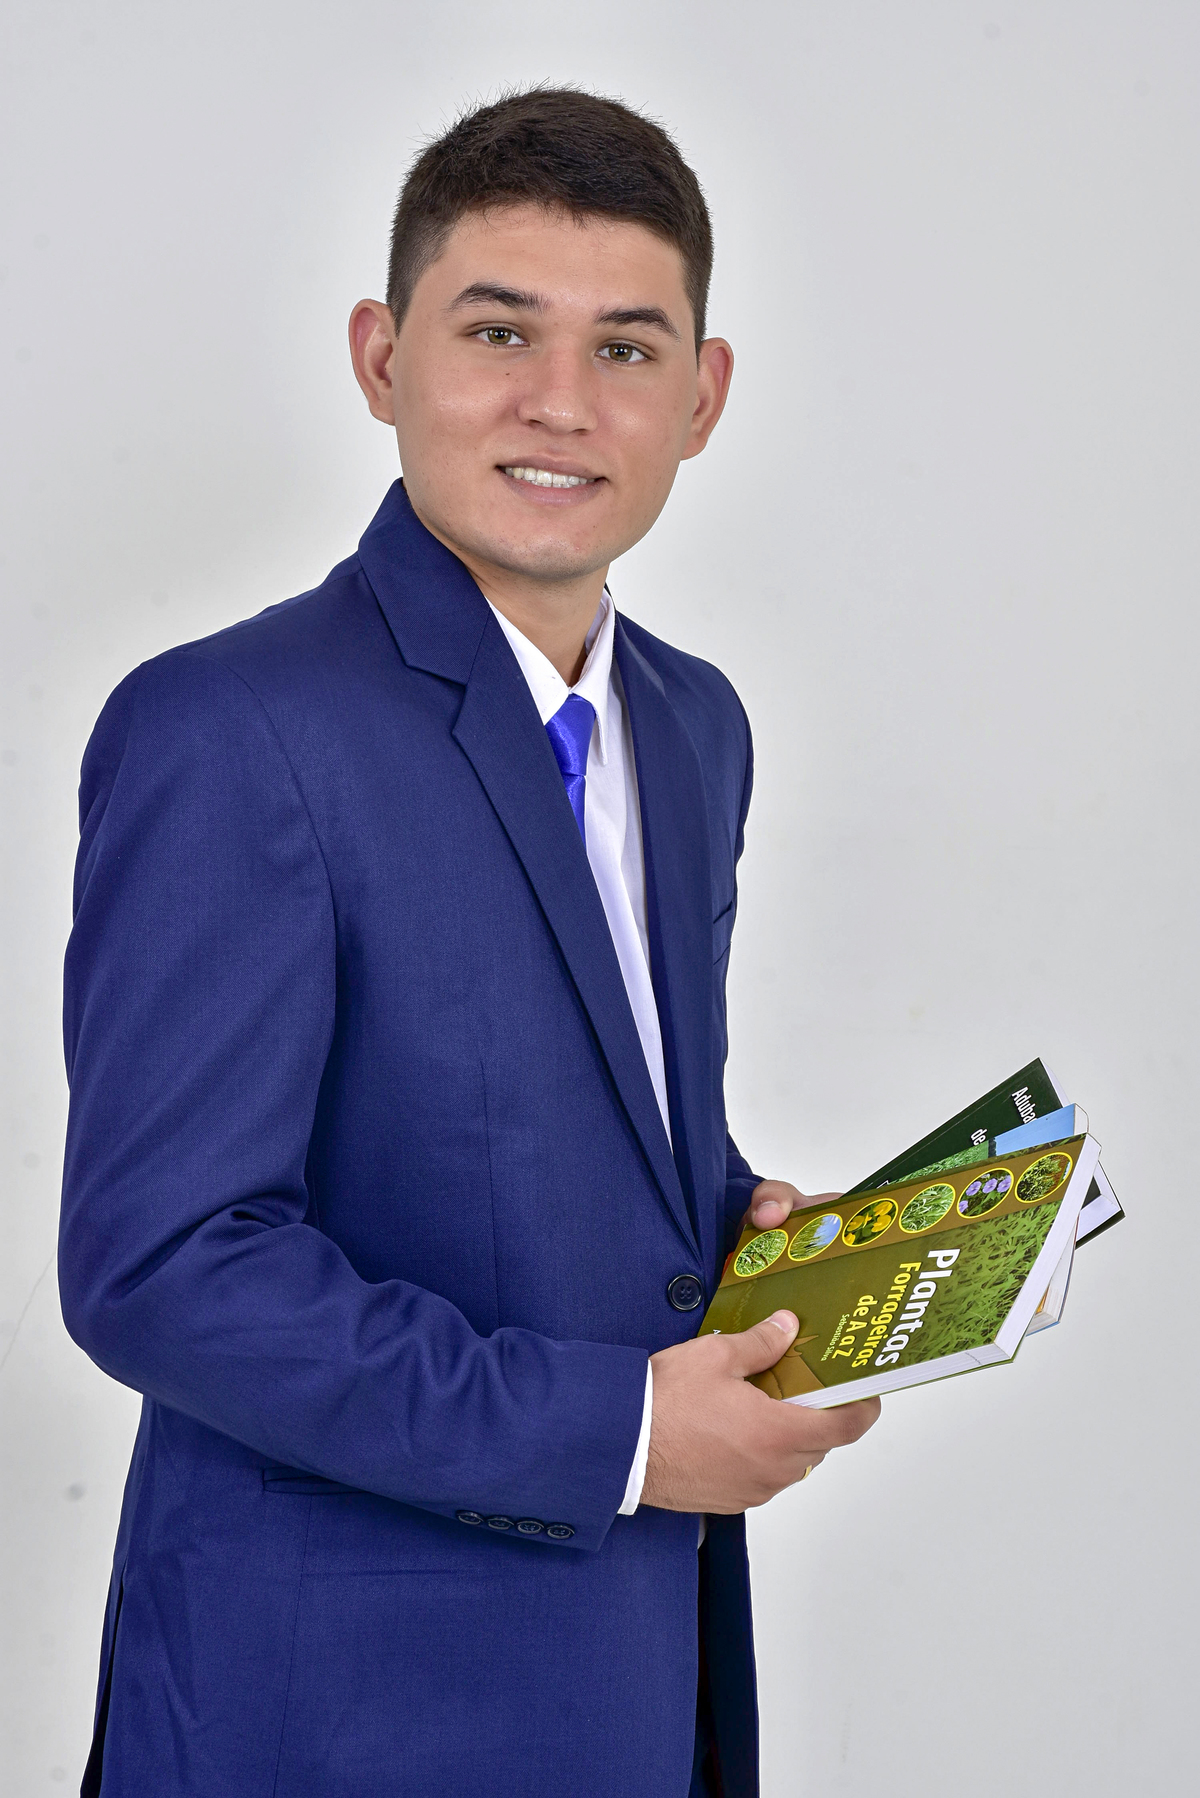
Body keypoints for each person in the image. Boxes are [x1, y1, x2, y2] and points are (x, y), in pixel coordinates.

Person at [58, 87, 880, 1798]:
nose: (561, 403)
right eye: (499, 331)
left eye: (627, 349)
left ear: (704, 396)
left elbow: (563, 1120)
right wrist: (628, 1431)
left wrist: (748, 1231)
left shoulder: (696, 725)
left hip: (635, 1685)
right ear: (381, 356)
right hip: (334, 1716)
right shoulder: (230, 728)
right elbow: (169, 1264)